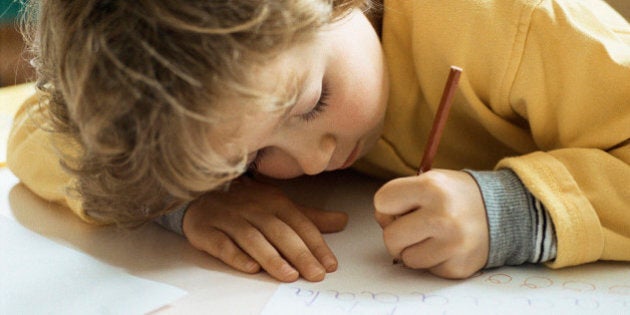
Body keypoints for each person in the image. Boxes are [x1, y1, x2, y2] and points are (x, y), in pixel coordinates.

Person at [8, 0, 629, 284]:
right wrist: (188, 199)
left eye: (312, 103)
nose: (311, 160)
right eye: (251, 158)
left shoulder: (509, 17)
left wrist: (513, 212)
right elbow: (38, 130)